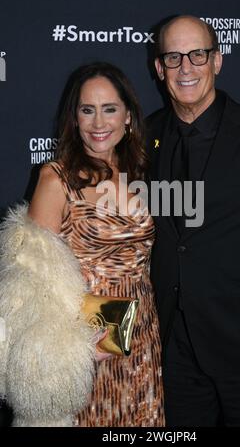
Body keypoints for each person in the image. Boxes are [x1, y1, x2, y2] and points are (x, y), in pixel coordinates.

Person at [146, 15, 240, 427]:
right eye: (174, 57)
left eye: (198, 54)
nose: (186, 68)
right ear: (159, 69)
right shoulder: (144, 138)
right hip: (175, 353)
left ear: (218, 60)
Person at [0, 62, 164, 427]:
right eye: (87, 110)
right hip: (84, 342)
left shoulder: (142, 175)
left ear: (128, 118)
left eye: (109, 109)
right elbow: (31, 285)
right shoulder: (55, 178)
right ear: (74, 119)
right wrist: (72, 351)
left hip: (141, 337)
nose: (98, 123)